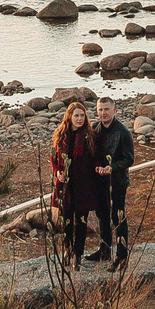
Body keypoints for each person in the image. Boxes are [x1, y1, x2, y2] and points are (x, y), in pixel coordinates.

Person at [49, 101, 106, 269]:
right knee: (66, 220)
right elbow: (54, 158)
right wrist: (57, 172)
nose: (80, 118)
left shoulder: (91, 135)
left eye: (82, 115)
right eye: (76, 115)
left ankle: (78, 255)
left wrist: (98, 168)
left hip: (84, 185)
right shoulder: (60, 135)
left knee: (81, 221)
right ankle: (67, 250)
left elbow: (97, 157)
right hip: (65, 186)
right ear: (70, 116)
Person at [90, 98, 135, 266]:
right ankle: (105, 251)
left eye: (106, 109)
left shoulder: (123, 132)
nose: (103, 113)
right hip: (100, 181)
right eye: (100, 109)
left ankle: (122, 256)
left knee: (118, 217)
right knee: (102, 215)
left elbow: (129, 159)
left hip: (118, 181)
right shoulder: (94, 129)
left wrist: (112, 168)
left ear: (114, 111)